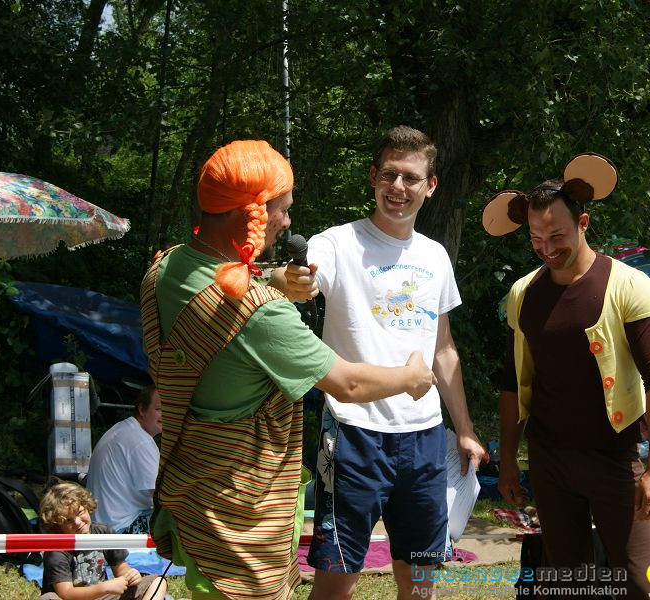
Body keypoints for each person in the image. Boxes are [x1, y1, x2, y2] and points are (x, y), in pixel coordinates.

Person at [140, 139, 437, 600]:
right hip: (243, 513)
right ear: (251, 213)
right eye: (282, 209)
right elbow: (348, 382)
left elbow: (220, 284)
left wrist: (271, 276)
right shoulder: (259, 314)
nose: (288, 222)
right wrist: (411, 378)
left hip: (191, 487)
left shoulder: (164, 269)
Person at [271, 125, 485, 600]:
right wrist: (294, 281)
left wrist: (464, 428)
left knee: (420, 579)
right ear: (373, 176)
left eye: (411, 178)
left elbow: (443, 349)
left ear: (430, 186)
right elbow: (302, 275)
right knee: (337, 581)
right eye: (390, 174)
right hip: (352, 434)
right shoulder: (338, 243)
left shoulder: (435, 256)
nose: (399, 188)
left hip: (426, 438)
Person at [484, 153, 650, 599]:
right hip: (550, 461)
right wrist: (509, 459)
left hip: (614, 458)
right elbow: (513, 382)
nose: (547, 248)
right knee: (565, 582)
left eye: (557, 235)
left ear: (583, 222)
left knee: (640, 581)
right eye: (535, 238)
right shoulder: (523, 294)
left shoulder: (629, 286)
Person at [38, 481, 167, 600]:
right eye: (68, 520)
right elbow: (66, 593)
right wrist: (104, 587)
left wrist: (131, 575)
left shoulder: (103, 533)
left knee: (157, 582)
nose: (77, 522)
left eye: (79, 512)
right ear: (57, 524)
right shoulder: (57, 548)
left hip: (103, 596)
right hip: (75, 597)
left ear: (87, 506)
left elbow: (121, 570)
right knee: (48, 598)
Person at [86, 386, 161, 534]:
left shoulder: (123, 429)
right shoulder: (141, 441)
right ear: (142, 410)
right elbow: (161, 496)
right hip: (119, 530)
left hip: (102, 524)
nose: (167, 415)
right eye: (159, 409)